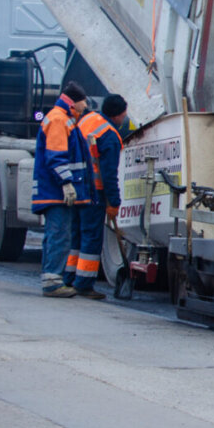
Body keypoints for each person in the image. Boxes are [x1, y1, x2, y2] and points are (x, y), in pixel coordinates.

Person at [33, 81, 93, 297]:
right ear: (73, 102)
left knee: (55, 234)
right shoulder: (59, 120)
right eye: (82, 103)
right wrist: (66, 182)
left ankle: (51, 278)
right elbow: (56, 156)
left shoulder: (63, 118)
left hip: (54, 189)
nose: (84, 107)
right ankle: (52, 282)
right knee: (59, 234)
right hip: (56, 191)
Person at [64, 94, 128, 299]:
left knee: (76, 234)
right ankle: (83, 283)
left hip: (76, 186)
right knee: (91, 237)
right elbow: (109, 174)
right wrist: (114, 203)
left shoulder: (87, 120)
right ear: (118, 115)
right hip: (94, 192)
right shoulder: (109, 135)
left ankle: (69, 278)